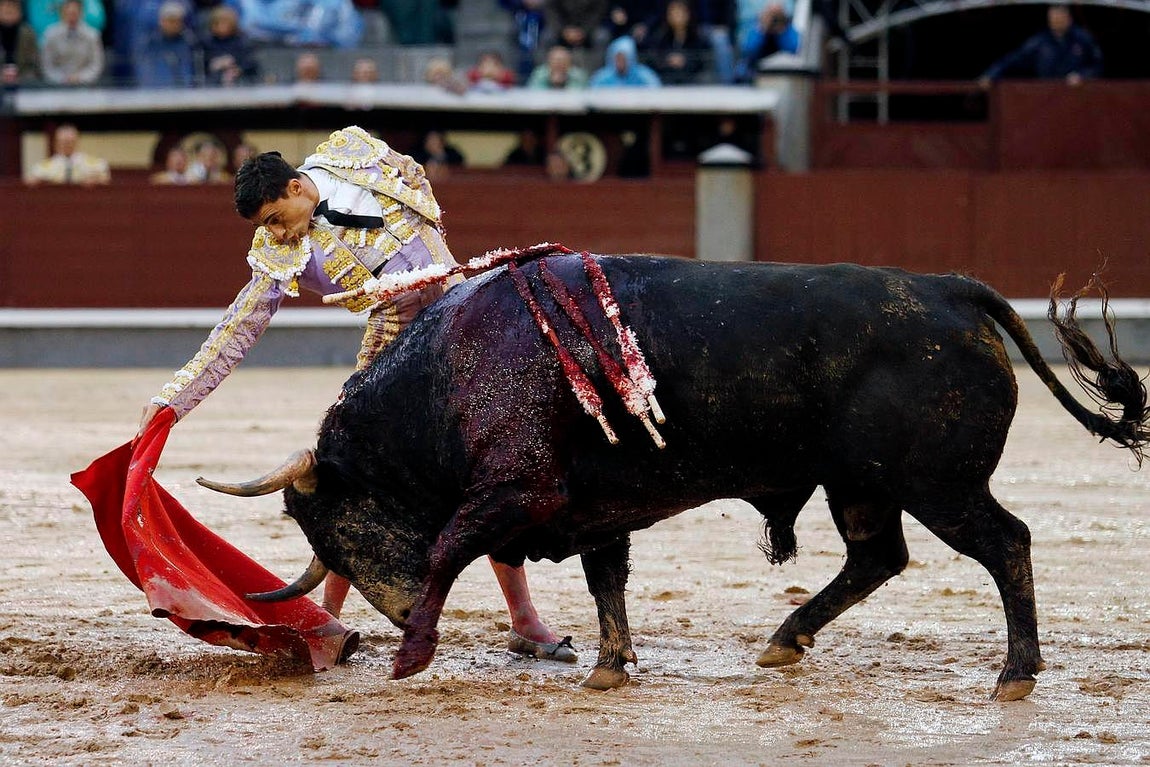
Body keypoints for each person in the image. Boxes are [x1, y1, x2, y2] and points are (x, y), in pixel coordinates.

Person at [135, 126, 576, 664]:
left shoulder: (354, 150)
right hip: (392, 347)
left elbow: (420, 193)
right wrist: (174, 398)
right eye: (267, 227)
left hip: (461, 322)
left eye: (277, 218)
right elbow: (240, 327)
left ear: (297, 187)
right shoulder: (276, 250)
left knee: (488, 471)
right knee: (351, 477)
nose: (278, 234)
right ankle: (329, 621)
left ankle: (525, 622)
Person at [979, 4, 1102, 87]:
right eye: (1054, 17)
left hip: (1077, 95)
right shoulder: (1039, 42)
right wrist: (992, 74)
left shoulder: (1083, 39)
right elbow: (1014, 59)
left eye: (1060, 16)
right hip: (1046, 95)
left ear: (1069, 18)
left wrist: (1082, 76)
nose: (1057, 20)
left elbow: (1097, 65)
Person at [644, 0, 709, 86]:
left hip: (692, 81)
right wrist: (668, 60)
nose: (677, 16)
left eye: (680, 12)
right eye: (673, 12)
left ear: (688, 14)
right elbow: (653, 60)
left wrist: (685, 61)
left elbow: (704, 62)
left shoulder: (698, 38)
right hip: (666, 81)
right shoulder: (660, 37)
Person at [135, 1, 199, 88]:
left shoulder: (190, 42)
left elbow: (194, 72)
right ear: (161, 21)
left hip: (184, 93)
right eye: (170, 21)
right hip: (156, 92)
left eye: (178, 21)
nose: (174, 25)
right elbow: (144, 72)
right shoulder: (150, 43)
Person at [39, 0, 103, 85]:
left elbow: (96, 65)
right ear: (62, 13)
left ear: (81, 13)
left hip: (86, 85)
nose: (72, 17)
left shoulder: (92, 35)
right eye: (68, 13)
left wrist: (80, 78)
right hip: (56, 85)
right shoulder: (50, 35)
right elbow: (47, 66)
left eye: (75, 13)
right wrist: (62, 79)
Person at [26, 123, 110, 185]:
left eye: (70, 142)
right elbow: (31, 182)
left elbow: (106, 181)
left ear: (77, 141)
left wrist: (97, 179)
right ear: (56, 142)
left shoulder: (95, 163)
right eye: (63, 142)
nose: (67, 145)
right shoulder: (42, 167)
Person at [734, 2, 798, 83]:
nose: (773, 19)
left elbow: (793, 49)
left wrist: (781, 30)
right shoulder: (755, 27)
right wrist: (763, 28)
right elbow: (749, 50)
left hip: (782, 74)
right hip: (754, 74)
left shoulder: (788, 28)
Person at [201, 4, 260, 86]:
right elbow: (202, 63)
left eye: (225, 23)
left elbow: (251, 63)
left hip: (240, 80)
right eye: (217, 23)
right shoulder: (206, 42)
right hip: (212, 81)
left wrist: (238, 69)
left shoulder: (242, 40)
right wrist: (215, 63)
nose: (221, 27)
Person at [589, 34, 660, 87]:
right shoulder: (601, 78)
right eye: (617, 58)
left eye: (623, 59)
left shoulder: (645, 77)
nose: (620, 62)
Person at [0, 0, 40, 85]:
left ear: (20, 13)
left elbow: (35, 66)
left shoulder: (29, 34)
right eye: (5, 7)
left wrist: (20, 79)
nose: (9, 10)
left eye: (13, 7)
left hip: (24, 83)